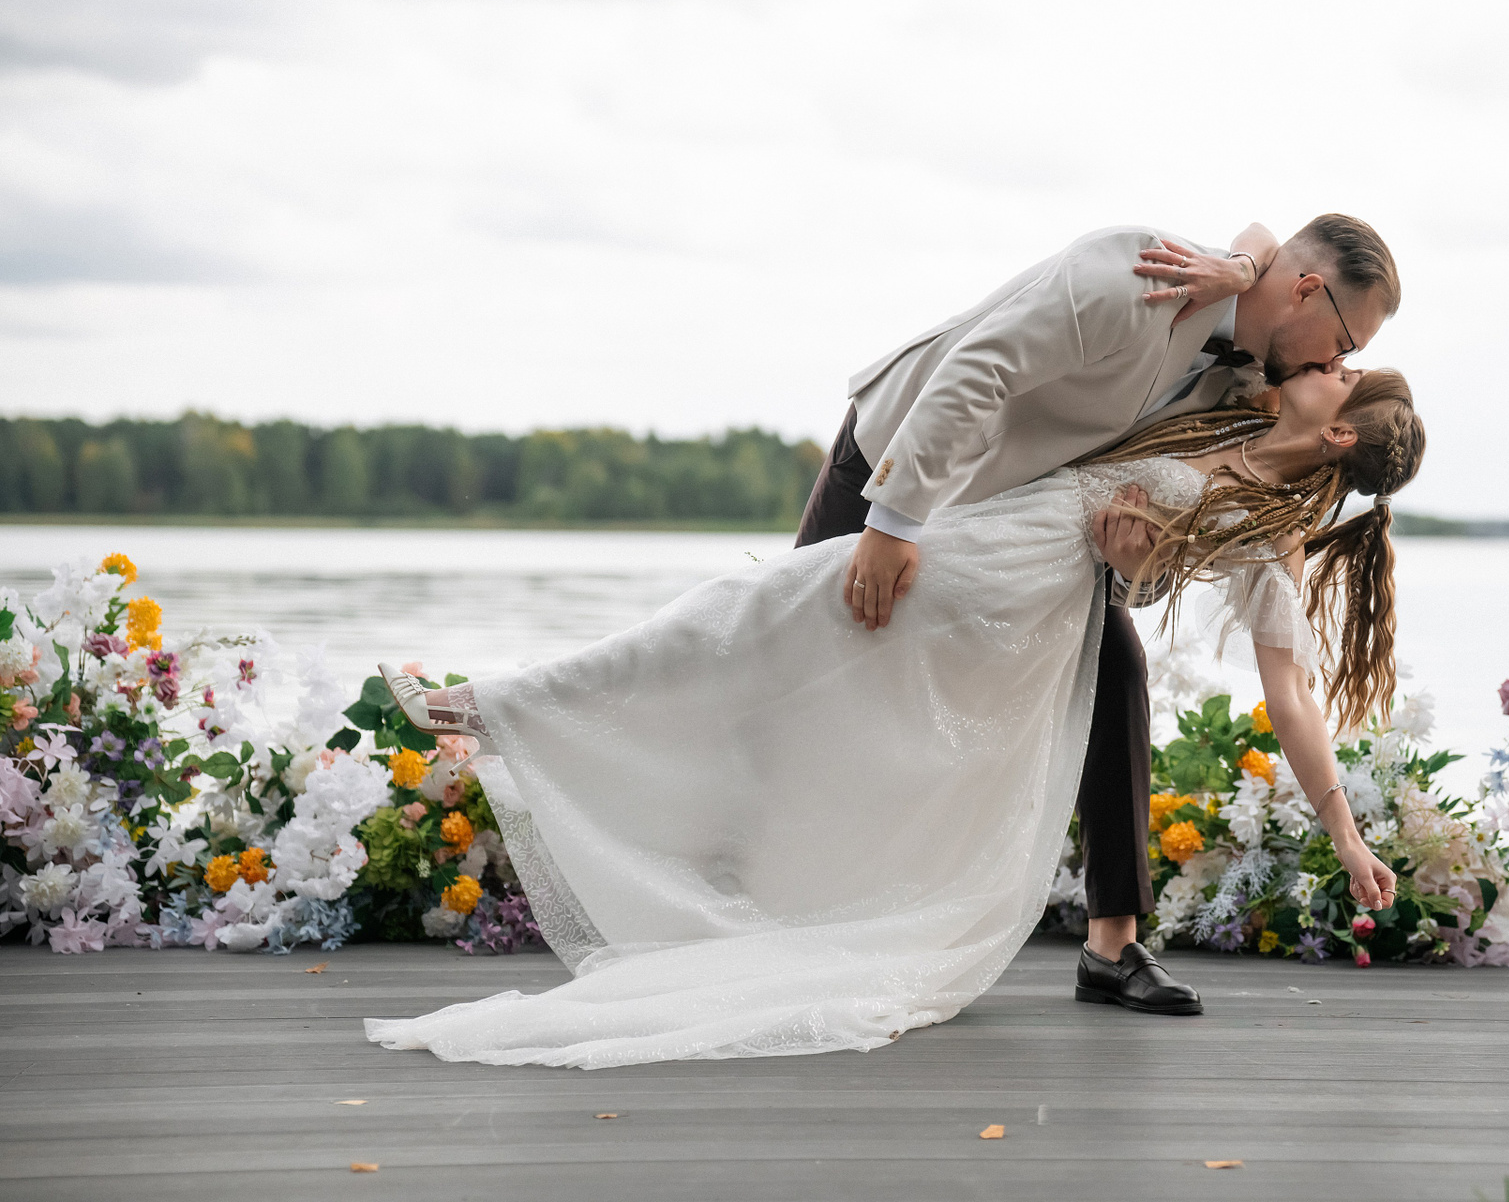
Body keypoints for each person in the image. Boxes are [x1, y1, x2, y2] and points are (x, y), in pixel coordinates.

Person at [362, 355, 1425, 1068]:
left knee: (749, 618)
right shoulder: (1236, 406)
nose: (1321, 360)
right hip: (982, 549)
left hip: (1012, 595)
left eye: (1339, 371)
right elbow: (1256, 255)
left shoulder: (1272, 526)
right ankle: (505, 708)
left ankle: (500, 709)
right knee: (748, 620)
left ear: (1338, 432)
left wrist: (1343, 829)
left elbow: (1291, 694)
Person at [796, 216, 1400, 1012]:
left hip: (1020, 530)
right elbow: (982, 367)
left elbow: (1164, 543)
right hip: (899, 457)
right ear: (1309, 291)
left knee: (1118, 674)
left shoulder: (1251, 389)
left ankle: (1113, 945)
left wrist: (1133, 571)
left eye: (1347, 364)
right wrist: (894, 520)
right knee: (797, 657)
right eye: (1344, 344)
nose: (1334, 362)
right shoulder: (1143, 276)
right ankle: (746, 864)